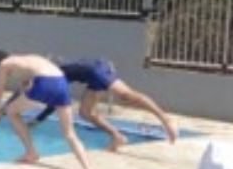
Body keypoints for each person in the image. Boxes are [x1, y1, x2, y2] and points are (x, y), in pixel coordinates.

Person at [0, 50, 97, 169]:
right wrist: (1, 110)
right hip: (62, 84)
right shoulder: (29, 60)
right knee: (70, 134)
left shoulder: (4, 64)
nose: (0, 75)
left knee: (12, 112)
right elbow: (22, 92)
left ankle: (31, 152)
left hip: (45, 83)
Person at [28, 58, 178, 149]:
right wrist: (38, 119)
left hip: (97, 70)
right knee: (86, 113)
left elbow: (56, 101)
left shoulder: (55, 74)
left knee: (126, 95)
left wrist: (38, 119)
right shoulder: (56, 72)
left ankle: (165, 119)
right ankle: (117, 136)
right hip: (93, 77)